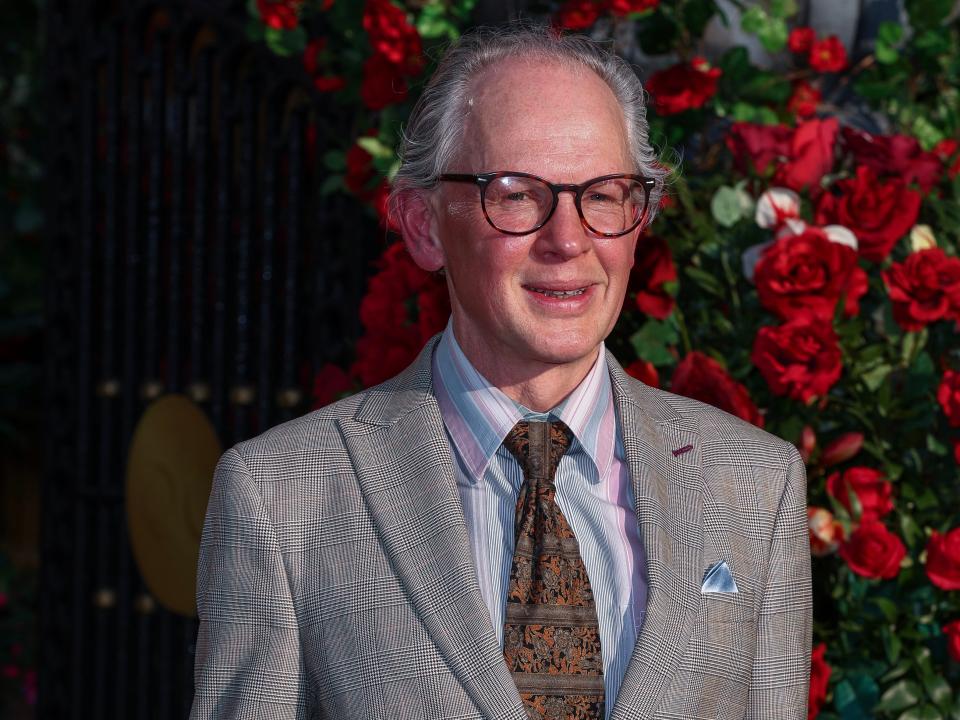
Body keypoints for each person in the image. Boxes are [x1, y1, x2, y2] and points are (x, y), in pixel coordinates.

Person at [190, 25, 812, 720]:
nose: (568, 240)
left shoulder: (757, 485)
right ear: (424, 226)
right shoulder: (282, 498)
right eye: (515, 193)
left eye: (603, 194)